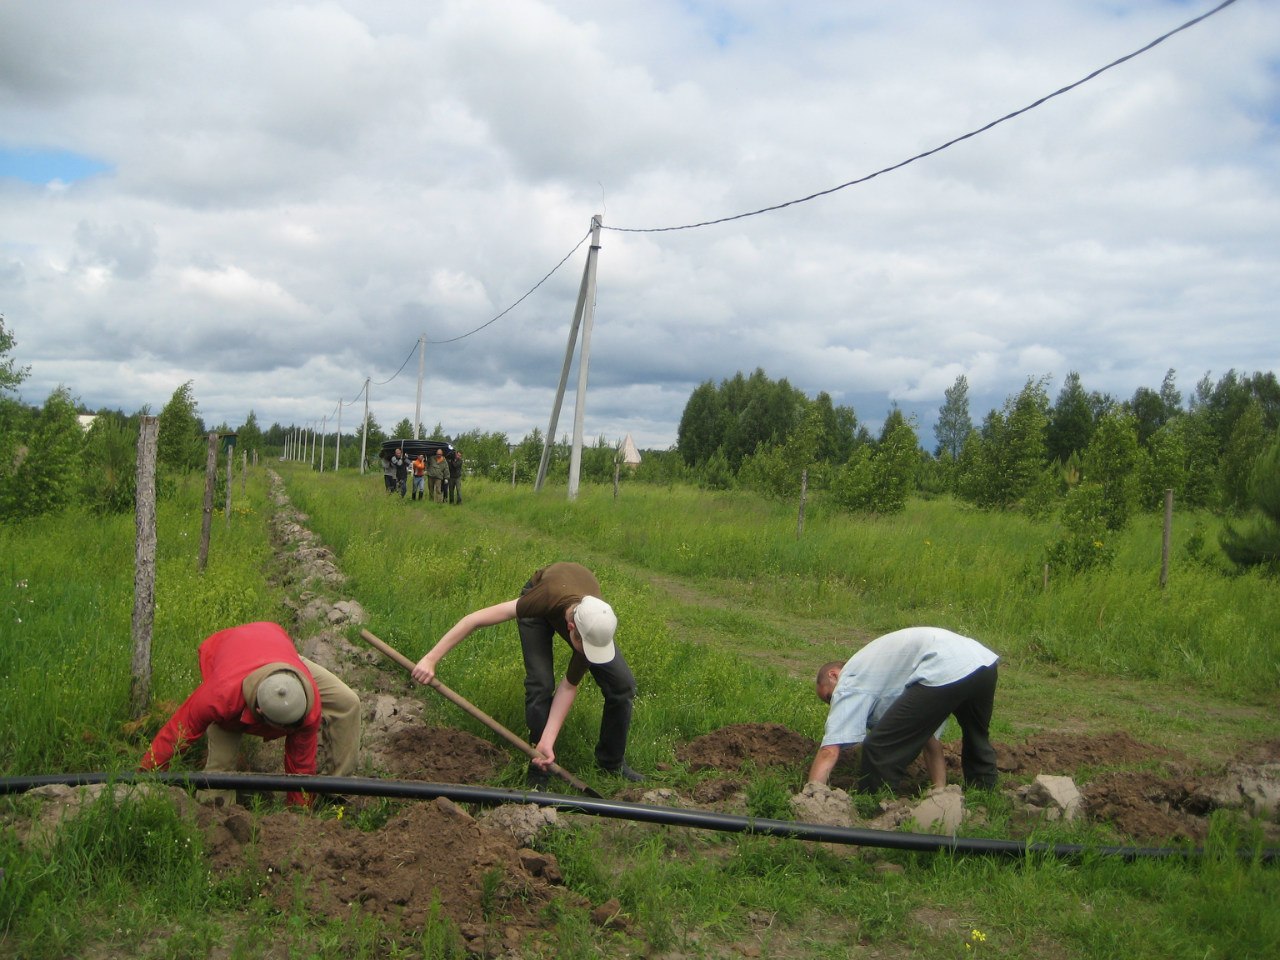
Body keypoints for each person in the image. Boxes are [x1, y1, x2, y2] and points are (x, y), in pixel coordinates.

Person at [411, 561, 642, 786]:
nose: (589, 654)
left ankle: (611, 763)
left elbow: (569, 686)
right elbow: (475, 620)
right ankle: (539, 764)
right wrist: (431, 659)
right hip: (543, 599)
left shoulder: (596, 620)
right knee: (540, 684)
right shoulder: (541, 598)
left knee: (622, 684)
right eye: (586, 648)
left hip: (574, 604)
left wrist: (549, 737)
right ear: (571, 629)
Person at [140, 622, 361, 807]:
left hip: (279, 656)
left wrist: (299, 817)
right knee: (220, 771)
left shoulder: (305, 702)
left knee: (347, 702)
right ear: (259, 712)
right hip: (232, 656)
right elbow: (178, 732)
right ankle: (216, 824)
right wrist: (144, 776)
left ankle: (336, 792)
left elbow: (301, 765)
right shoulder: (219, 695)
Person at [808, 626, 999, 795]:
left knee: (879, 748)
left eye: (829, 697)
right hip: (982, 661)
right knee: (977, 738)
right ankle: (985, 796)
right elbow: (928, 739)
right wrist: (939, 789)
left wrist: (811, 794)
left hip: (944, 663)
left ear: (833, 674)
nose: (833, 704)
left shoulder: (849, 678)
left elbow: (829, 750)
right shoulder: (882, 677)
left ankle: (873, 807)